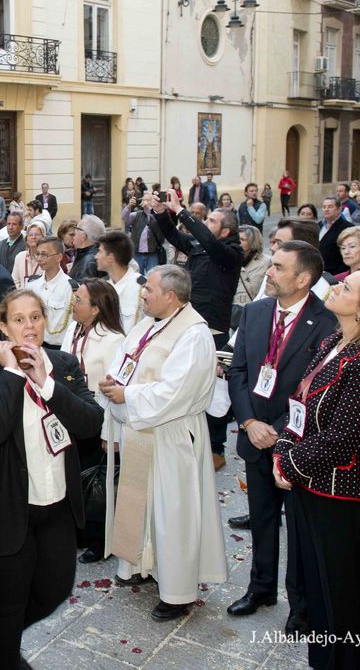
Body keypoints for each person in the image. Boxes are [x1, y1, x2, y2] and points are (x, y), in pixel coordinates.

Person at [272, 268, 360, 670]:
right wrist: (285, 449)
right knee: (318, 589)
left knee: (340, 592)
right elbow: (300, 406)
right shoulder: (336, 340)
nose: (335, 287)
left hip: (343, 492)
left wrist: (289, 462)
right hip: (310, 483)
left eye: (347, 288)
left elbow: (342, 438)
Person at [0, 289, 102, 670]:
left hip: (56, 506)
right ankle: (8, 656)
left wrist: (48, 383)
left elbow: (90, 424)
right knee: (9, 601)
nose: (29, 326)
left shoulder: (63, 363)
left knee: (55, 590)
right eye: (19, 319)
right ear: (3, 326)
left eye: (36, 317)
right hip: (6, 508)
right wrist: (13, 371)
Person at [98, 265, 228, 619]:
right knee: (140, 502)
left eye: (149, 290)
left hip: (172, 436)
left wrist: (128, 395)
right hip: (142, 429)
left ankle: (177, 591)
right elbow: (125, 359)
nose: (142, 295)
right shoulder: (147, 324)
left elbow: (177, 392)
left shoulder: (194, 335)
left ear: (171, 296)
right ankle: (139, 564)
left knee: (173, 513)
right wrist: (113, 382)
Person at [225, 242, 336, 633]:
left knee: (301, 529)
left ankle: (300, 605)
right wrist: (250, 422)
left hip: (299, 446)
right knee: (262, 519)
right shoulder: (255, 313)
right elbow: (237, 372)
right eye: (270, 265)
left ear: (303, 279)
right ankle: (261, 588)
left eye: (277, 267)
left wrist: (285, 430)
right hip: (255, 436)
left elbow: (321, 388)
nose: (268, 272)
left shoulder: (327, 322)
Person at [152, 193, 242, 468]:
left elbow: (208, 240)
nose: (206, 222)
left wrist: (183, 213)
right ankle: (192, 440)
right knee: (186, 383)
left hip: (212, 329)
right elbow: (175, 238)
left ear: (225, 230)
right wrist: (161, 213)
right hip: (188, 323)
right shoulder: (200, 247)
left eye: (212, 220)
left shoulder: (230, 253)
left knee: (212, 390)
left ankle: (216, 449)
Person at [60, 279, 126, 564]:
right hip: (66, 416)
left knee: (97, 482)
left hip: (95, 419)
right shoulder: (72, 331)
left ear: (96, 309)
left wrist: (109, 432)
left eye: (79, 301)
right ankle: (78, 530)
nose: (73, 304)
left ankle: (100, 540)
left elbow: (113, 391)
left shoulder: (114, 341)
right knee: (73, 476)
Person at [96, 230, 141, 333]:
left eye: (100, 252)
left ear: (110, 258)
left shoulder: (142, 288)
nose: (96, 256)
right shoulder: (102, 286)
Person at [125, 192, 165, 275]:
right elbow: (124, 217)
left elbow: (159, 222)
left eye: (148, 200)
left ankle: (149, 288)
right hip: (137, 254)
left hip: (152, 253)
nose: (145, 202)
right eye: (144, 200)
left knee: (152, 275)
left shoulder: (157, 215)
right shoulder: (136, 215)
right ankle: (141, 288)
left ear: (152, 202)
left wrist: (150, 210)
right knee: (138, 277)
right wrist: (129, 206)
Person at [233, 226, 271, 310]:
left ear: (252, 242)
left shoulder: (267, 262)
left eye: (242, 240)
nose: (237, 242)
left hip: (255, 310)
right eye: (236, 238)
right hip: (232, 311)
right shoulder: (229, 259)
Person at [317, 197, 353, 275]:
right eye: (324, 207)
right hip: (317, 271)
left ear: (339, 209)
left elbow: (349, 254)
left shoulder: (347, 228)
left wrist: (338, 275)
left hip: (334, 274)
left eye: (330, 207)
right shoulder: (318, 225)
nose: (326, 209)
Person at [69, 215, 106, 282]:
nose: (74, 232)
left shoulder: (89, 262)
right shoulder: (94, 253)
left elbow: (83, 290)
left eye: (76, 229)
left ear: (83, 236)